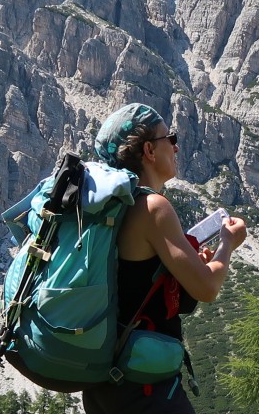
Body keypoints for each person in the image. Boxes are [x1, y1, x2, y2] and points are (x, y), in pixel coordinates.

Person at [81, 103, 248, 414]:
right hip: (144, 385)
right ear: (149, 150)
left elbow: (137, 287)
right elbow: (208, 288)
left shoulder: (111, 208)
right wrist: (228, 244)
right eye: (169, 138)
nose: (176, 145)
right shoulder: (153, 207)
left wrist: (186, 267)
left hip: (102, 385)